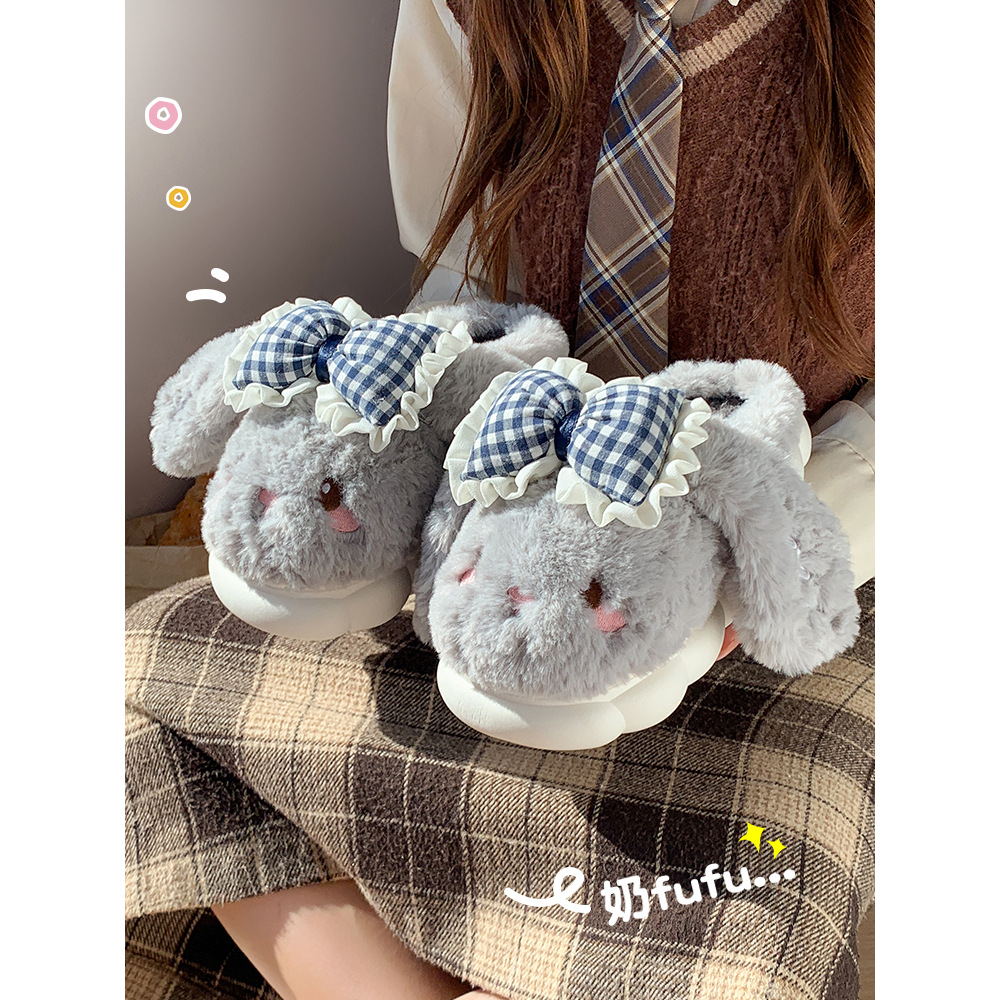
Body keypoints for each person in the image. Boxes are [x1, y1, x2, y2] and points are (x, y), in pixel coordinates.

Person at [125, 2, 874, 999]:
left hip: (791, 563)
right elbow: (467, 284)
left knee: (742, 897)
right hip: (501, 519)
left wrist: (750, 554)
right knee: (148, 680)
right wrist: (411, 442)